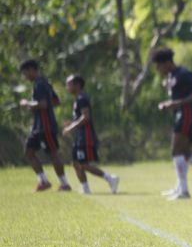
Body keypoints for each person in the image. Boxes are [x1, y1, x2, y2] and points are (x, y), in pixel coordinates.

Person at [152, 48, 192, 200]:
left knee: (177, 151)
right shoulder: (171, 76)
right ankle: (185, 185)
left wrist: (176, 103)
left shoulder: (183, 73)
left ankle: (184, 191)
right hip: (181, 114)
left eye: (159, 65)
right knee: (186, 153)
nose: (158, 69)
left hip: (187, 114)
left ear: (167, 63)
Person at [61, 75, 119, 194]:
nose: (67, 87)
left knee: (83, 164)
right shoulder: (77, 99)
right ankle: (85, 188)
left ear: (77, 85)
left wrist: (71, 127)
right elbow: (80, 118)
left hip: (85, 137)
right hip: (79, 137)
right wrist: (71, 124)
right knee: (76, 163)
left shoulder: (82, 98)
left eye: (69, 84)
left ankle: (110, 179)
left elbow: (86, 117)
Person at [19, 59, 71, 192]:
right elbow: (56, 101)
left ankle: (64, 184)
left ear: (32, 70)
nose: (25, 77)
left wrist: (28, 104)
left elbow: (44, 104)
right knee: (29, 152)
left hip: (46, 125)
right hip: (38, 126)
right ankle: (43, 181)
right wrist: (37, 106)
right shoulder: (43, 83)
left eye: (25, 73)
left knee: (53, 154)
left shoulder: (40, 84)